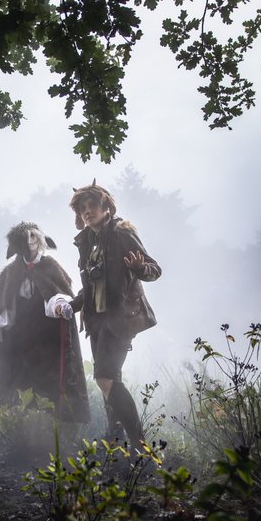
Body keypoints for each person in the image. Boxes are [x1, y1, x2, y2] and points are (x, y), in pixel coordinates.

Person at [58, 183, 161, 453]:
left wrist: (140, 268)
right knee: (111, 380)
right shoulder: (86, 241)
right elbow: (90, 286)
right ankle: (115, 442)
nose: (87, 211)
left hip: (121, 319)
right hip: (97, 322)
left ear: (106, 207)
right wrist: (71, 305)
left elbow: (154, 269)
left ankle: (140, 447)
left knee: (104, 378)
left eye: (92, 205)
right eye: (82, 208)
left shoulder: (122, 232)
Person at [0, 221, 90, 423]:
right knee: (20, 378)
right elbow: (6, 302)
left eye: (33, 236)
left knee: (48, 379)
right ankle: (19, 422)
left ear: (41, 239)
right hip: (20, 334)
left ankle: (53, 423)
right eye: (25, 238)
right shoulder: (12, 270)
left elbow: (58, 292)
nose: (30, 241)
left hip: (47, 335)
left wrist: (60, 305)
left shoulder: (50, 266)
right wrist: (1, 325)